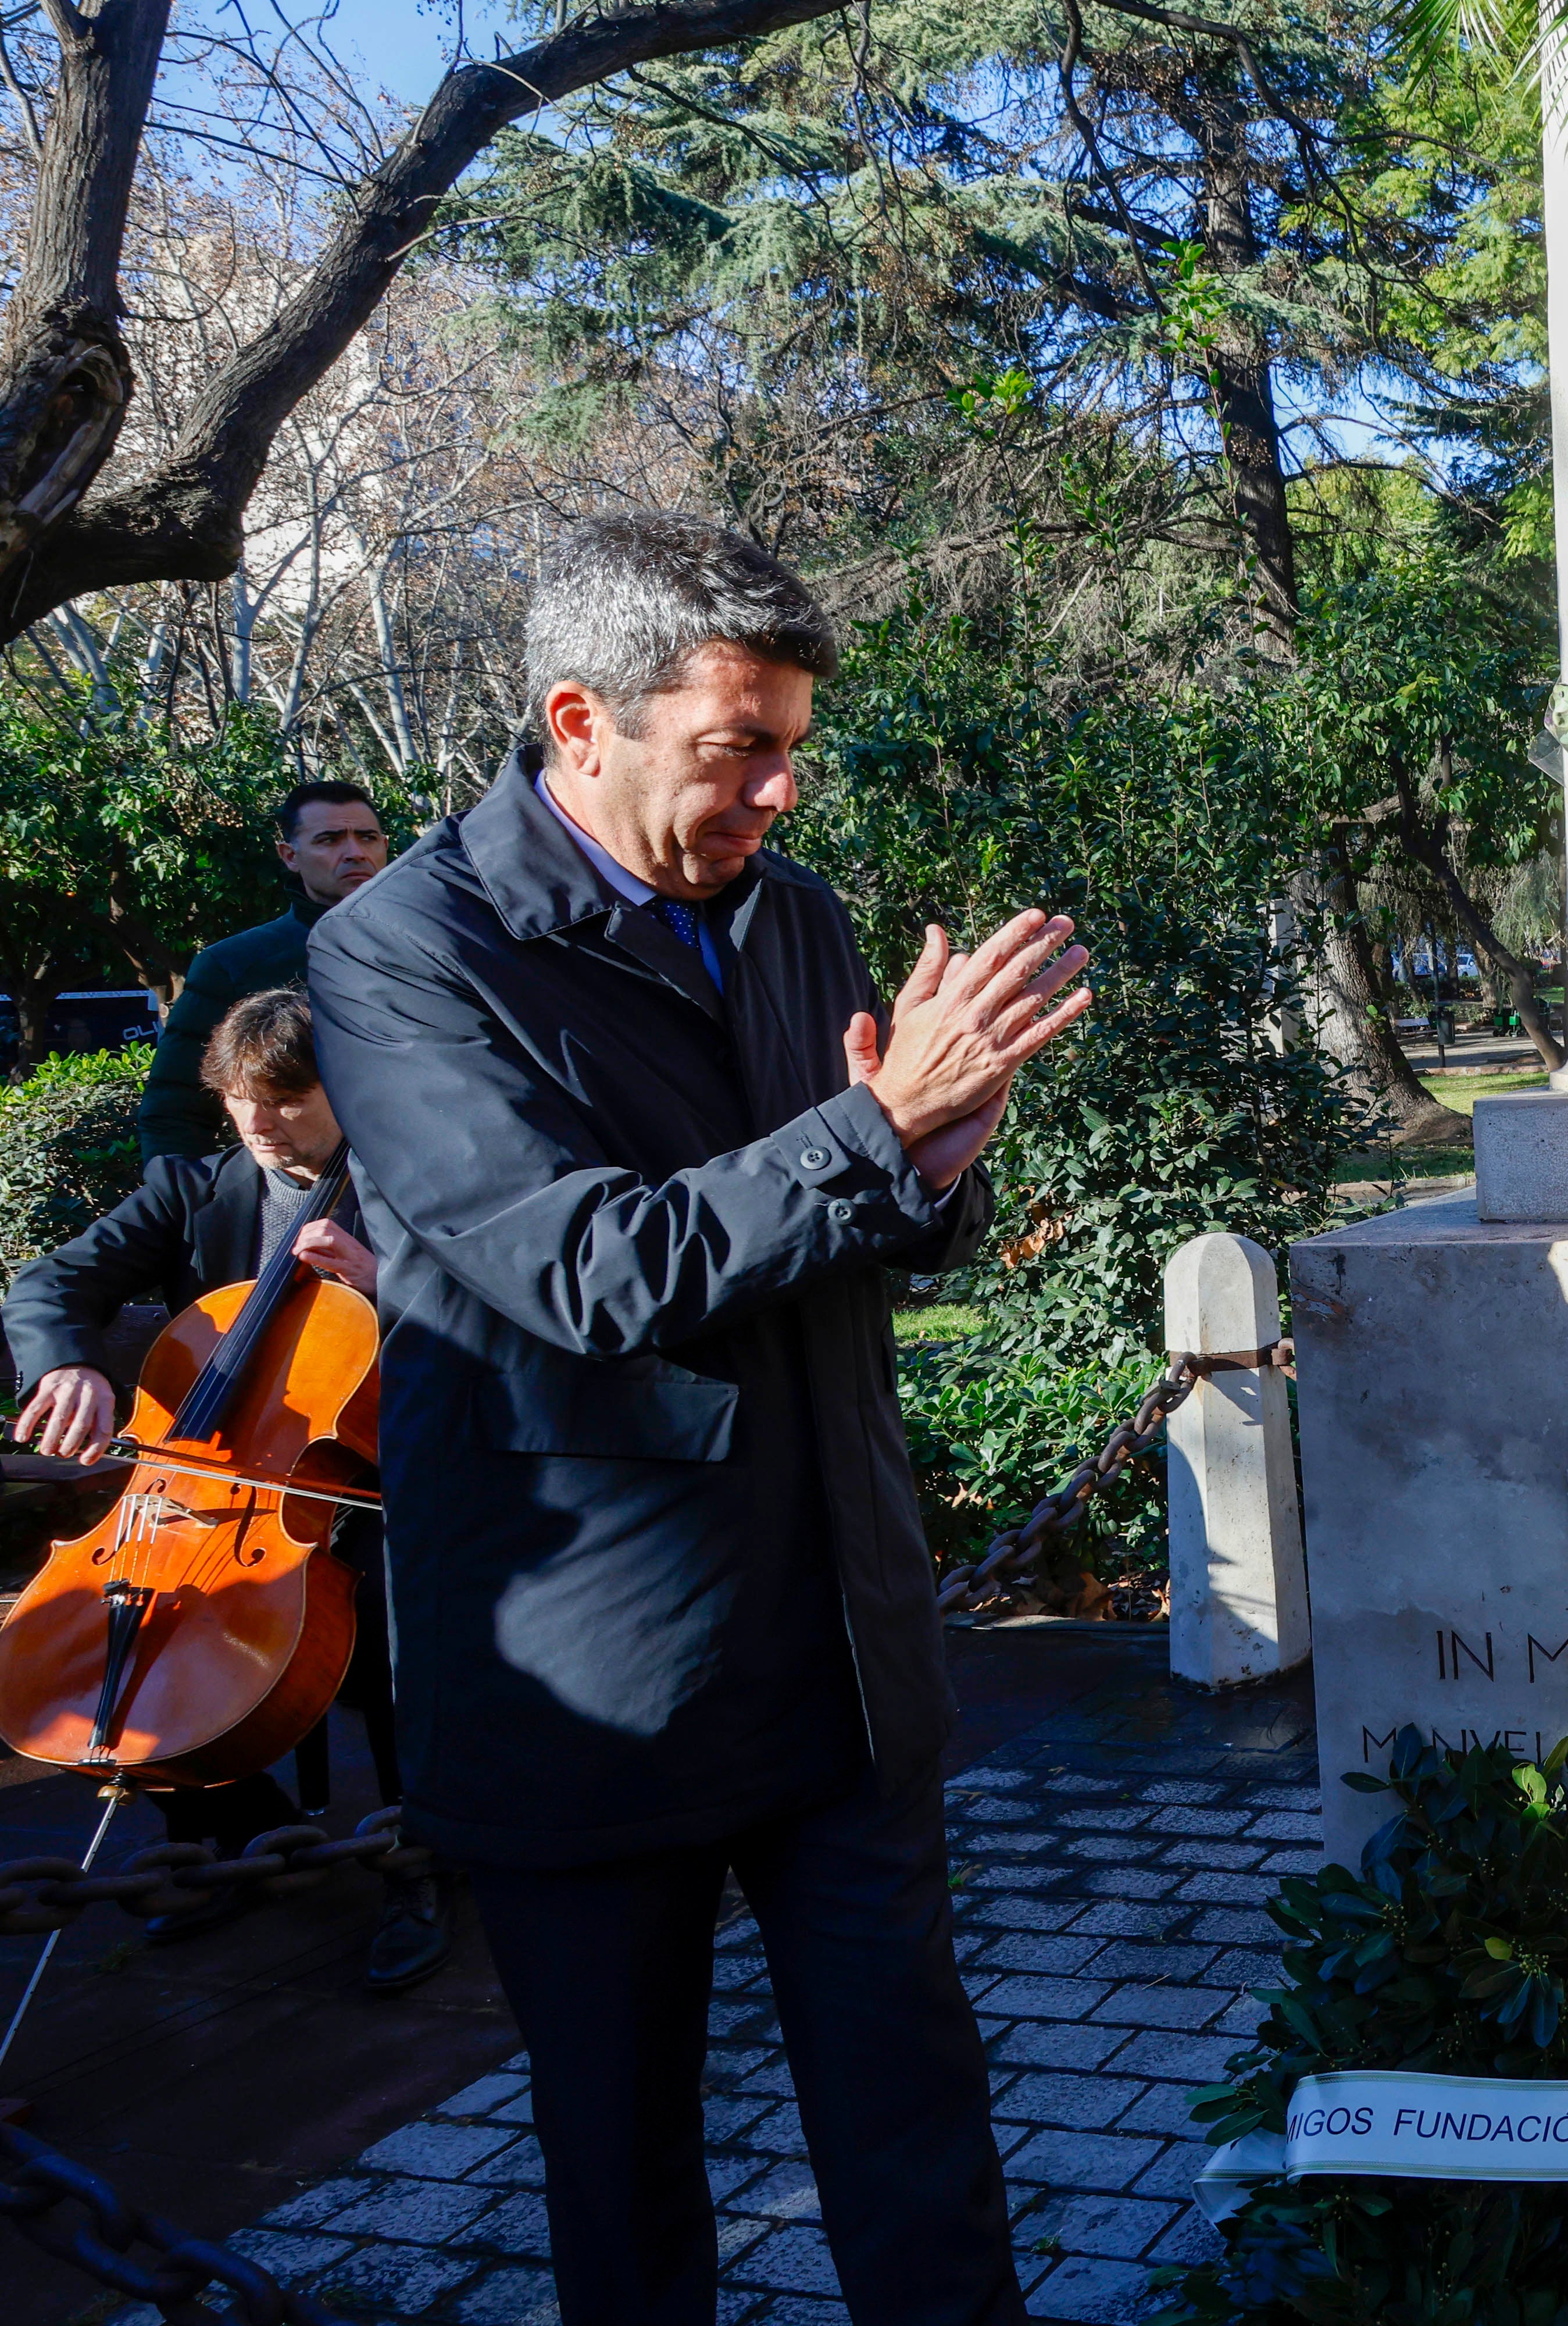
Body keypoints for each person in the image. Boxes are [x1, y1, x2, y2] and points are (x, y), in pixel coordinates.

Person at [306, 513, 1087, 2326]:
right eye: (742, 745)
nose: (784, 790)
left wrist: (936, 1164)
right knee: (625, 2173)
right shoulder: (403, 953)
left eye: (792, 741)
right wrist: (877, 1139)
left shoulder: (790, 914)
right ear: (583, 719)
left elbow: (844, 1222)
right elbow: (590, 1270)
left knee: (919, 2137)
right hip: (602, 1671)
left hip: (838, 1640)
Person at [3, 987, 448, 1988]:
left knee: (391, 1622)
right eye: (239, 1097)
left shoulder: (418, 1188)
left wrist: (391, 1288)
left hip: (382, 1481)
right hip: (210, 1497)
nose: (257, 1122)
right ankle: (245, 1837)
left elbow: (501, 1329)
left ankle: (417, 1866)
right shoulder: (192, 1189)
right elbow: (50, 1285)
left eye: (287, 1098)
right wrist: (63, 1364)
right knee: (110, 1645)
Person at [137, 783, 390, 1159]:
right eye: (330, 840)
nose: (355, 853)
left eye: (367, 837)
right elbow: (175, 1111)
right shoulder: (236, 964)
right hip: (304, 1194)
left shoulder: (440, 945)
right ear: (290, 855)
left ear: (385, 846)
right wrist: (184, 1207)